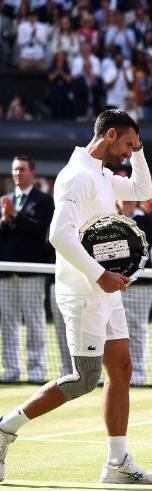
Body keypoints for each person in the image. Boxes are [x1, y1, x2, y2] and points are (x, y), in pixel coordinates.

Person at [0, 110, 152, 485]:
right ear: (109, 136)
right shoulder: (77, 177)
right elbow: (60, 235)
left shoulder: (103, 176)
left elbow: (143, 191)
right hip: (83, 292)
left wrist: (138, 148)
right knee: (83, 379)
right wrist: (100, 274)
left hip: (105, 293)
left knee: (121, 368)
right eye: (126, 144)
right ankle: (4, 429)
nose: (128, 153)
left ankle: (116, 463)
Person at [0, 155, 54, 383]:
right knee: (8, 323)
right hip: (6, 271)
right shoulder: (6, 200)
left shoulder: (43, 200)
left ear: (32, 172)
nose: (17, 174)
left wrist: (14, 215)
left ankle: (36, 370)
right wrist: (4, 219)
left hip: (31, 271)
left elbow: (41, 231)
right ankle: (11, 368)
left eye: (21, 169)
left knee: (34, 321)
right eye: (14, 170)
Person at [116, 199, 152, 386]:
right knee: (109, 329)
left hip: (140, 283)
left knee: (137, 329)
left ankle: (138, 372)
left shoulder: (146, 220)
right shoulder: (106, 217)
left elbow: (143, 246)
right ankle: (110, 371)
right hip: (112, 283)